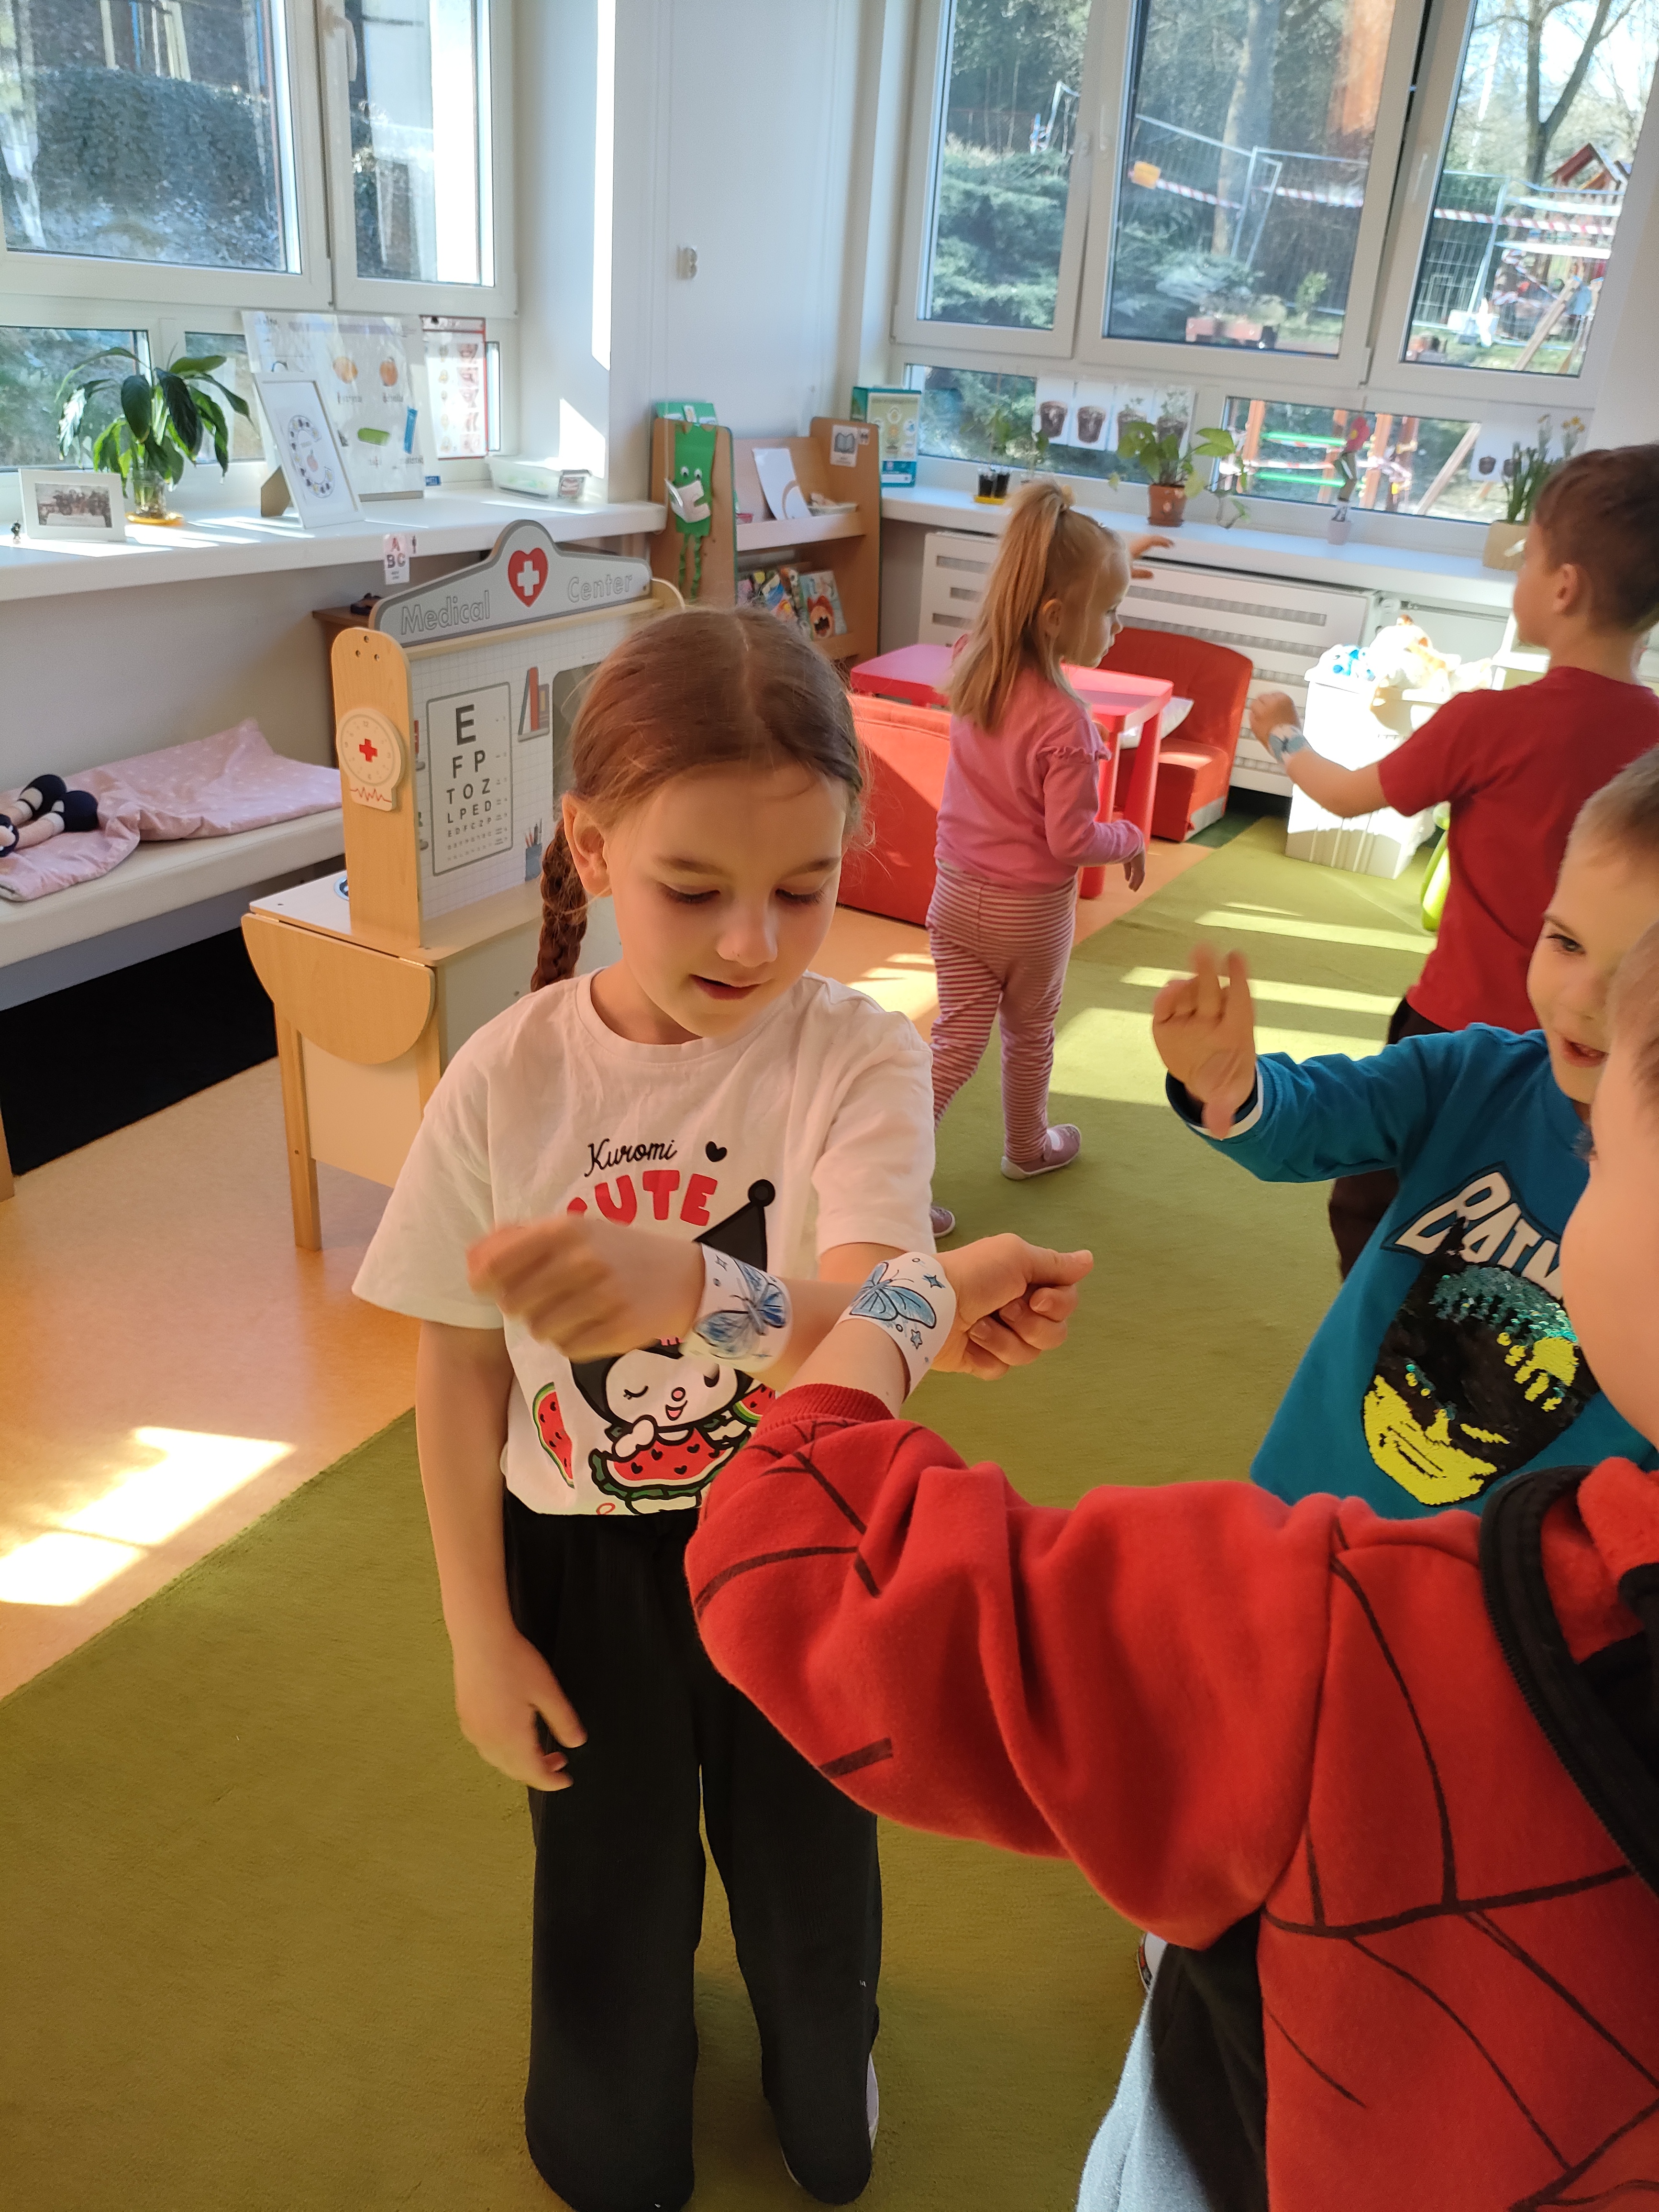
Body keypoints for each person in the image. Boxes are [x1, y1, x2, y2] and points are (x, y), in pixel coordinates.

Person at [679, 921, 1659, 2212]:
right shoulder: (1480, 1076)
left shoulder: (1343, 1637)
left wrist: (907, 1305)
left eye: (1604, 1157)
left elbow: (804, 1558)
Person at [352, 608, 1069, 2212]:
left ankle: (828, 2056)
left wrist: (692, 1289)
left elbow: (883, 1320)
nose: (751, 939)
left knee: (812, 1869)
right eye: (693, 889)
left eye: (802, 890)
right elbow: (459, 1363)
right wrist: (476, 1631)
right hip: (579, 1560)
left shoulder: (858, 1057)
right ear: (591, 849)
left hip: (802, 1537)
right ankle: (616, 2114)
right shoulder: (505, 1077)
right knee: (604, 1888)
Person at [1145, 749, 1659, 1521]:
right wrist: (1237, 1090)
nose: (1582, 998)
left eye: (1635, 980)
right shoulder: (1476, 1074)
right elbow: (1316, 1117)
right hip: (1306, 1502)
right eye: (1565, 942)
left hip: (1497, 1578)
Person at [1248, 442, 1659, 1273]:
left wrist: (1281, 732)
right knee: (1551, 1216)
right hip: (1605, 1043)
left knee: (1379, 1205)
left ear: (1564, 587)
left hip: (1460, 1027)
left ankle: (1389, 1316)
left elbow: (1345, 796)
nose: (1518, 574)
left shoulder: (1485, 722)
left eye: (1527, 556)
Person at [927, 480, 1150, 1238]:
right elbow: (1073, 840)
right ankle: (1027, 1148)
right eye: (1110, 610)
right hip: (1027, 916)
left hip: (954, 895)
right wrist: (1130, 837)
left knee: (954, 1044)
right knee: (1030, 1034)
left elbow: (1028, 590)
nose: (1118, 626)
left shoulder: (972, 664)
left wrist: (1111, 564)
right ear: (1056, 617)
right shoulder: (1069, 725)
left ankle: (890, 1178)